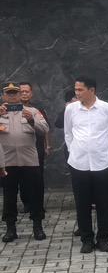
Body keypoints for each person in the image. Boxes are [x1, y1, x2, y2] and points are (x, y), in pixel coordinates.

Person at [64, 76, 108, 253]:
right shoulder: (71, 110)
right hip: (78, 163)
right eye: (75, 89)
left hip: (102, 163)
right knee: (82, 203)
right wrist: (73, 148)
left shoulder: (107, 109)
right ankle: (87, 239)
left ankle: (103, 238)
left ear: (92, 90)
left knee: (104, 203)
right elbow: (68, 133)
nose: (77, 93)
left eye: (80, 90)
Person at [0, 82, 49, 242]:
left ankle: (37, 226)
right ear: (3, 96)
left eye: (15, 93)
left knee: (34, 195)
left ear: (21, 95)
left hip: (29, 161)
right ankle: (10, 228)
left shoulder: (33, 111)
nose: (12, 96)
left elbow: (44, 130)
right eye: (9, 93)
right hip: (8, 162)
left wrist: (31, 121)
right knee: (9, 196)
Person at [19, 82, 50, 214]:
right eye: (21, 91)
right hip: (18, 149)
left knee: (37, 177)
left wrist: (47, 146)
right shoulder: (9, 109)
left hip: (36, 147)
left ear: (31, 93)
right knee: (22, 177)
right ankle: (26, 203)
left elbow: (46, 128)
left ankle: (38, 204)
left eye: (27, 91)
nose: (24, 94)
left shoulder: (37, 109)